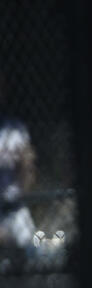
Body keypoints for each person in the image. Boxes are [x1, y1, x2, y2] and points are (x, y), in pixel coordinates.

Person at [0, 67, 37, 253]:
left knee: (33, 253)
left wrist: (27, 170)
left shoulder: (14, 127)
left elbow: (27, 169)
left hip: (15, 208)